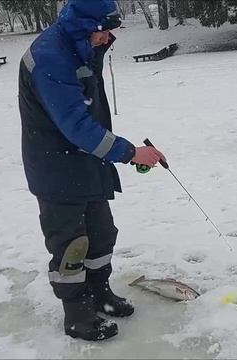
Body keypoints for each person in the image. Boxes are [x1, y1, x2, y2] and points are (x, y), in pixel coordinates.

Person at [18, 0, 166, 341]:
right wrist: (130, 153)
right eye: (104, 30)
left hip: (88, 160)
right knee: (71, 245)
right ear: (84, 26)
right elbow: (75, 125)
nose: (109, 37)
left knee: (101, 235)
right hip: (56, 166)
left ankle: (100, 293)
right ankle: (77, 312)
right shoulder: (51, 57)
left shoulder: (80, 44)